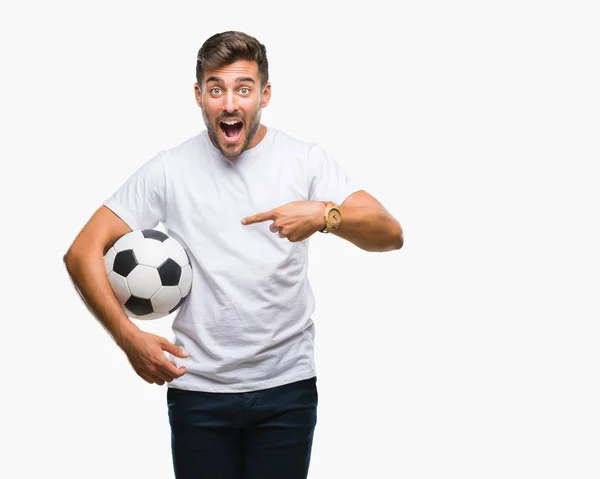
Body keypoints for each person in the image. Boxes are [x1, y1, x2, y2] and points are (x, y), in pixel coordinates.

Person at [64, 30, 403, 479]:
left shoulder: (304, 161)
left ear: (264, 94)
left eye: (243, 89)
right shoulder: (170, 169)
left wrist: (325, 215)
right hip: (199, 394)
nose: (229, 103)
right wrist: (128, 340)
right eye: (216, 89)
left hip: (287, 390)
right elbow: (82, 251)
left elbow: (389, 232)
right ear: (198, 95)